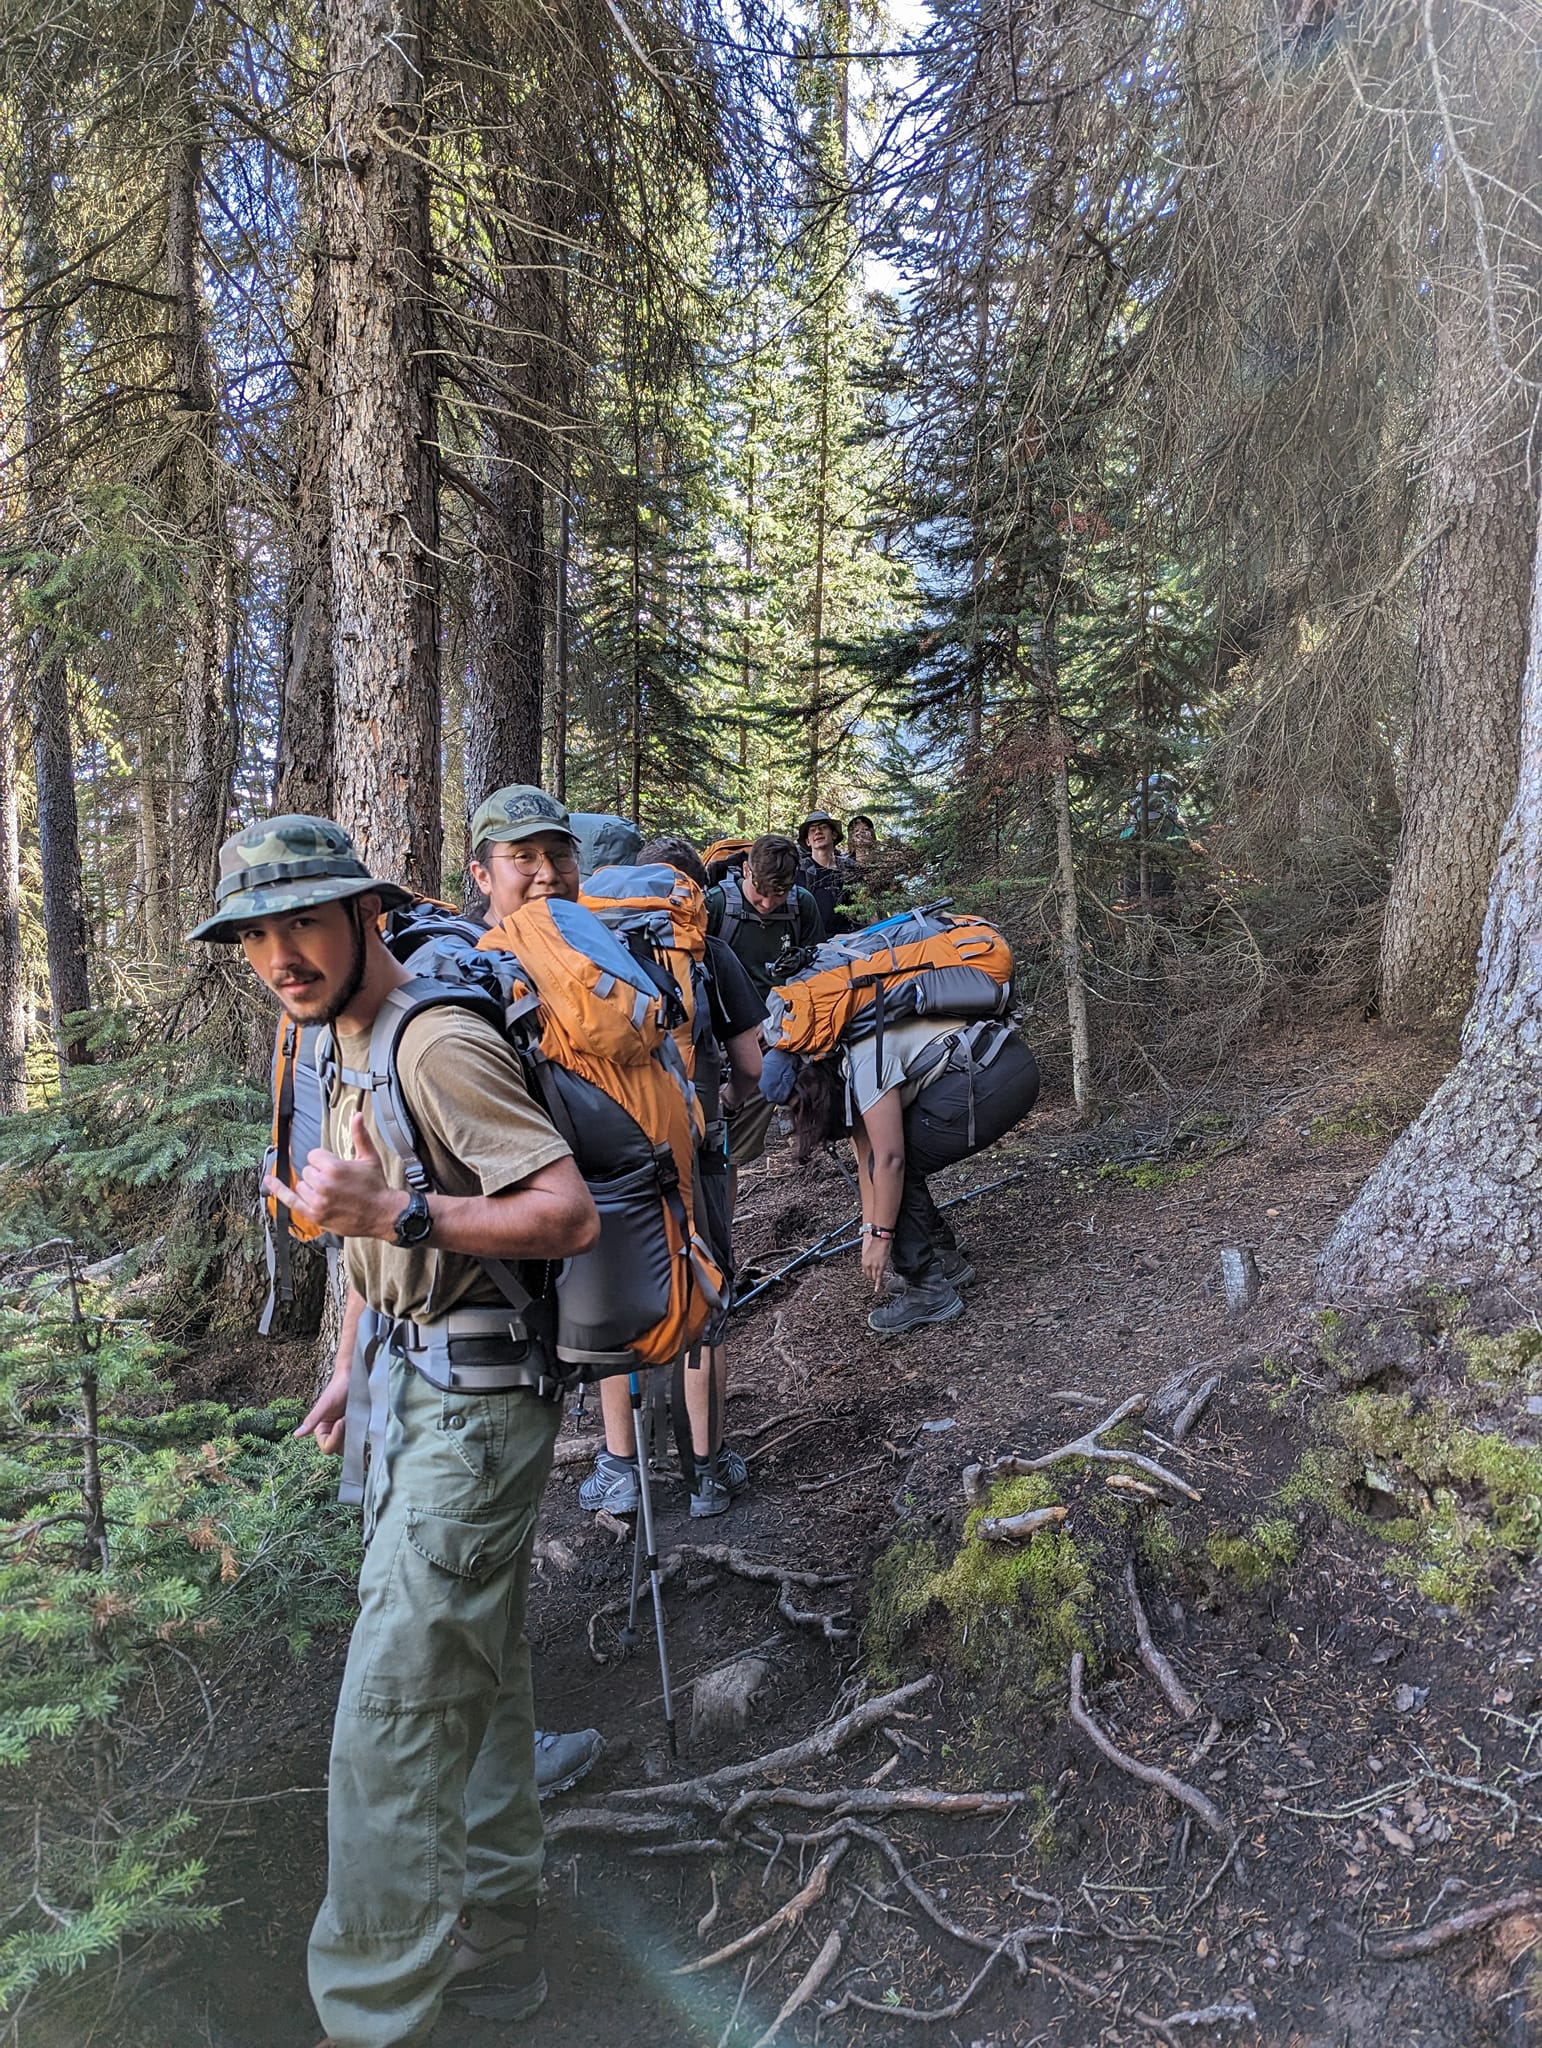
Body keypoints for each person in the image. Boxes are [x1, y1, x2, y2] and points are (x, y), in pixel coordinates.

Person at [190, 813, 600, 2047]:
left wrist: (407, 1215)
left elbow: (565, 1212)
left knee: (391, 1716)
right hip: (414, 1387)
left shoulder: (436, 1041)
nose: (280, 956)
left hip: (477, 1410)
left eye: (303, 922)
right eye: (255, 934)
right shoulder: (336, 1038)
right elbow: (371, 1228)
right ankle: (497, 1937)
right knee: (477, 1668)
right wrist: (351, 1364)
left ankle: (370, 2015)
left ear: (365, 914)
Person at [579, 834, 766, 1518]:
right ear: (692, 895)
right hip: (693, 1150)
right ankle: (706, 1473)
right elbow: (753, 1063)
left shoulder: (588, 946)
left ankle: (620, 1469)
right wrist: (724, 1102)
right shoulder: (707, 953)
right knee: (702, 1301)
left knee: (618, 1302)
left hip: (607, 1155)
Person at [780, 1012, 1039, 1335]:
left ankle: (927, 1289)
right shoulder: (847, 1063)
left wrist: (881, 1240)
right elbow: (867, 1158)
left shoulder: (864, 1064)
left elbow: (889, 1162)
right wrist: (869, 1231)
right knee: (889, 1161)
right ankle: (942, 1255)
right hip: (1002, 1062)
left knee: (895, 1165)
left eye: (798, 1109)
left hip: (998, 1078)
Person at [705, 834, 822, 1201]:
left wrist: (773, 1024)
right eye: (761, 893)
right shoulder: (716, 906)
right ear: (746, 871)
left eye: (780, 894)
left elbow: (815, 973)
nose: (769, 904)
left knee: (732, 1151)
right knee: (715, 1149)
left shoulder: (802, 906)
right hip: (721, 1037)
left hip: (780, 1035)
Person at [795, 810, 862, 935]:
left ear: (834, 835)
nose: (818, 832)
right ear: (808, 841)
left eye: (823, 827)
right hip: (814, 943)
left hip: (853, 940)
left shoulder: (851, 869)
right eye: (812, 830)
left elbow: (866, 906)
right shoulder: (799, 872)